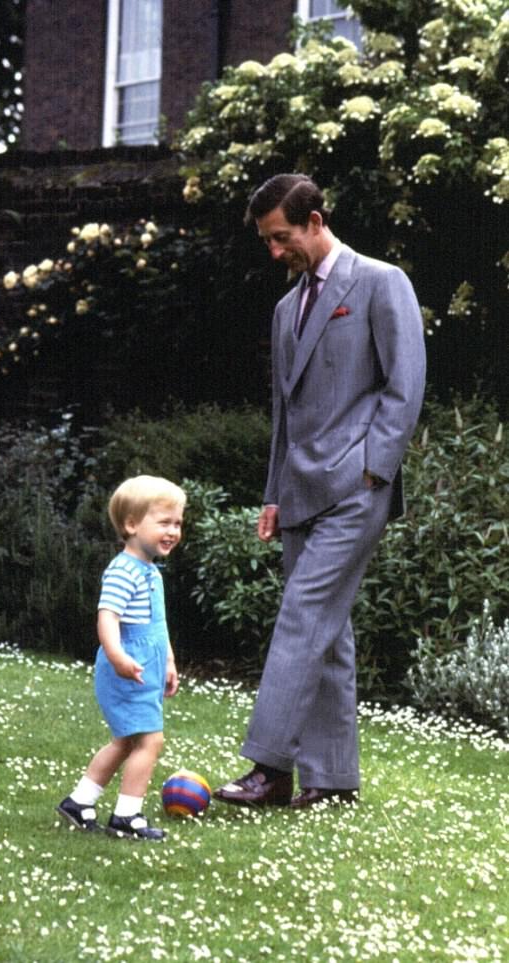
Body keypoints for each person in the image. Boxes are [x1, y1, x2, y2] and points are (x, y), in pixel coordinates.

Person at [213, 173, 426, 810]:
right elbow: (285, 412)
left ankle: (270, 768)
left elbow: (405, 384)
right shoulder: (286, 309)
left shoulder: (382, 282)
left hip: (357, 488)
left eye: (282, 238)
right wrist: (274, 494)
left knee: (303, 616)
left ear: (315, 220)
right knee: (327, 633)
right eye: (267, 242)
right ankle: (331, 781)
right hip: (299, 492)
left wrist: (374, 469)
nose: (276, 252)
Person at [57, 474, 186, 841]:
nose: (173, 531)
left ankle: (80, 802)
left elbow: (157, 626)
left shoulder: (151, 573)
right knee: (150, 741)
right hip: (126, 668)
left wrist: (169, 663)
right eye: (163, 522)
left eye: (177, 523)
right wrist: (117, 658)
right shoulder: (123, 571)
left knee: (126, 741)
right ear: (131, 525)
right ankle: (127, 815)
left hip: (145, 667)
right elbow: (107, 618)